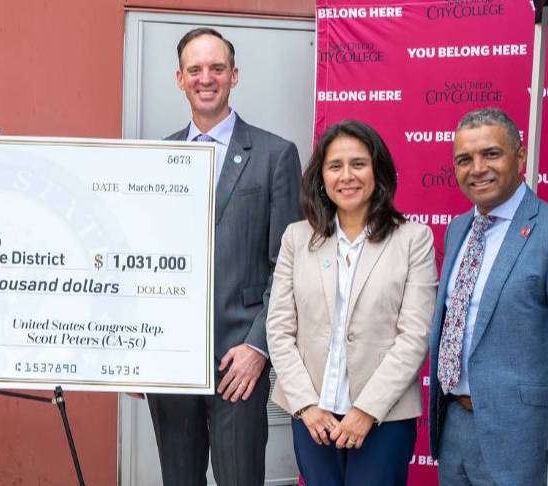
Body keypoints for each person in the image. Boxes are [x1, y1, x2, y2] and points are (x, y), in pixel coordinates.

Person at [143, 27, 302, 485]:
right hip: (171, 365)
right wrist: (138, 352)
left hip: (238, 363)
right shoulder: (156, 159)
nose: (205, 78)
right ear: (179, 78)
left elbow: (286, 269)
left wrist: (258, 348)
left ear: (234, 75)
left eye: (216, 68)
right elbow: (139, 261)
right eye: (195, 69)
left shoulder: (275, 156)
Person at [428, 108, 548, 484]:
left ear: (521, 156)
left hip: (525, 437)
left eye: (491, 154)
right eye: (464, 159)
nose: (477, 168)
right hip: (455, 429)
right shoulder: (458, 229)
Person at [265, 120, 435, 485]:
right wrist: (307, 406)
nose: (347, 176)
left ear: (378, 172)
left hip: (384, 419)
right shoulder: (297, 238)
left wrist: (366, 410)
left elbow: (414, 337)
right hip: (313, 419)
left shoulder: (413, 239)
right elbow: (279, 329)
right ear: (321, 177)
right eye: (335, 166)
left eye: (358, 164)